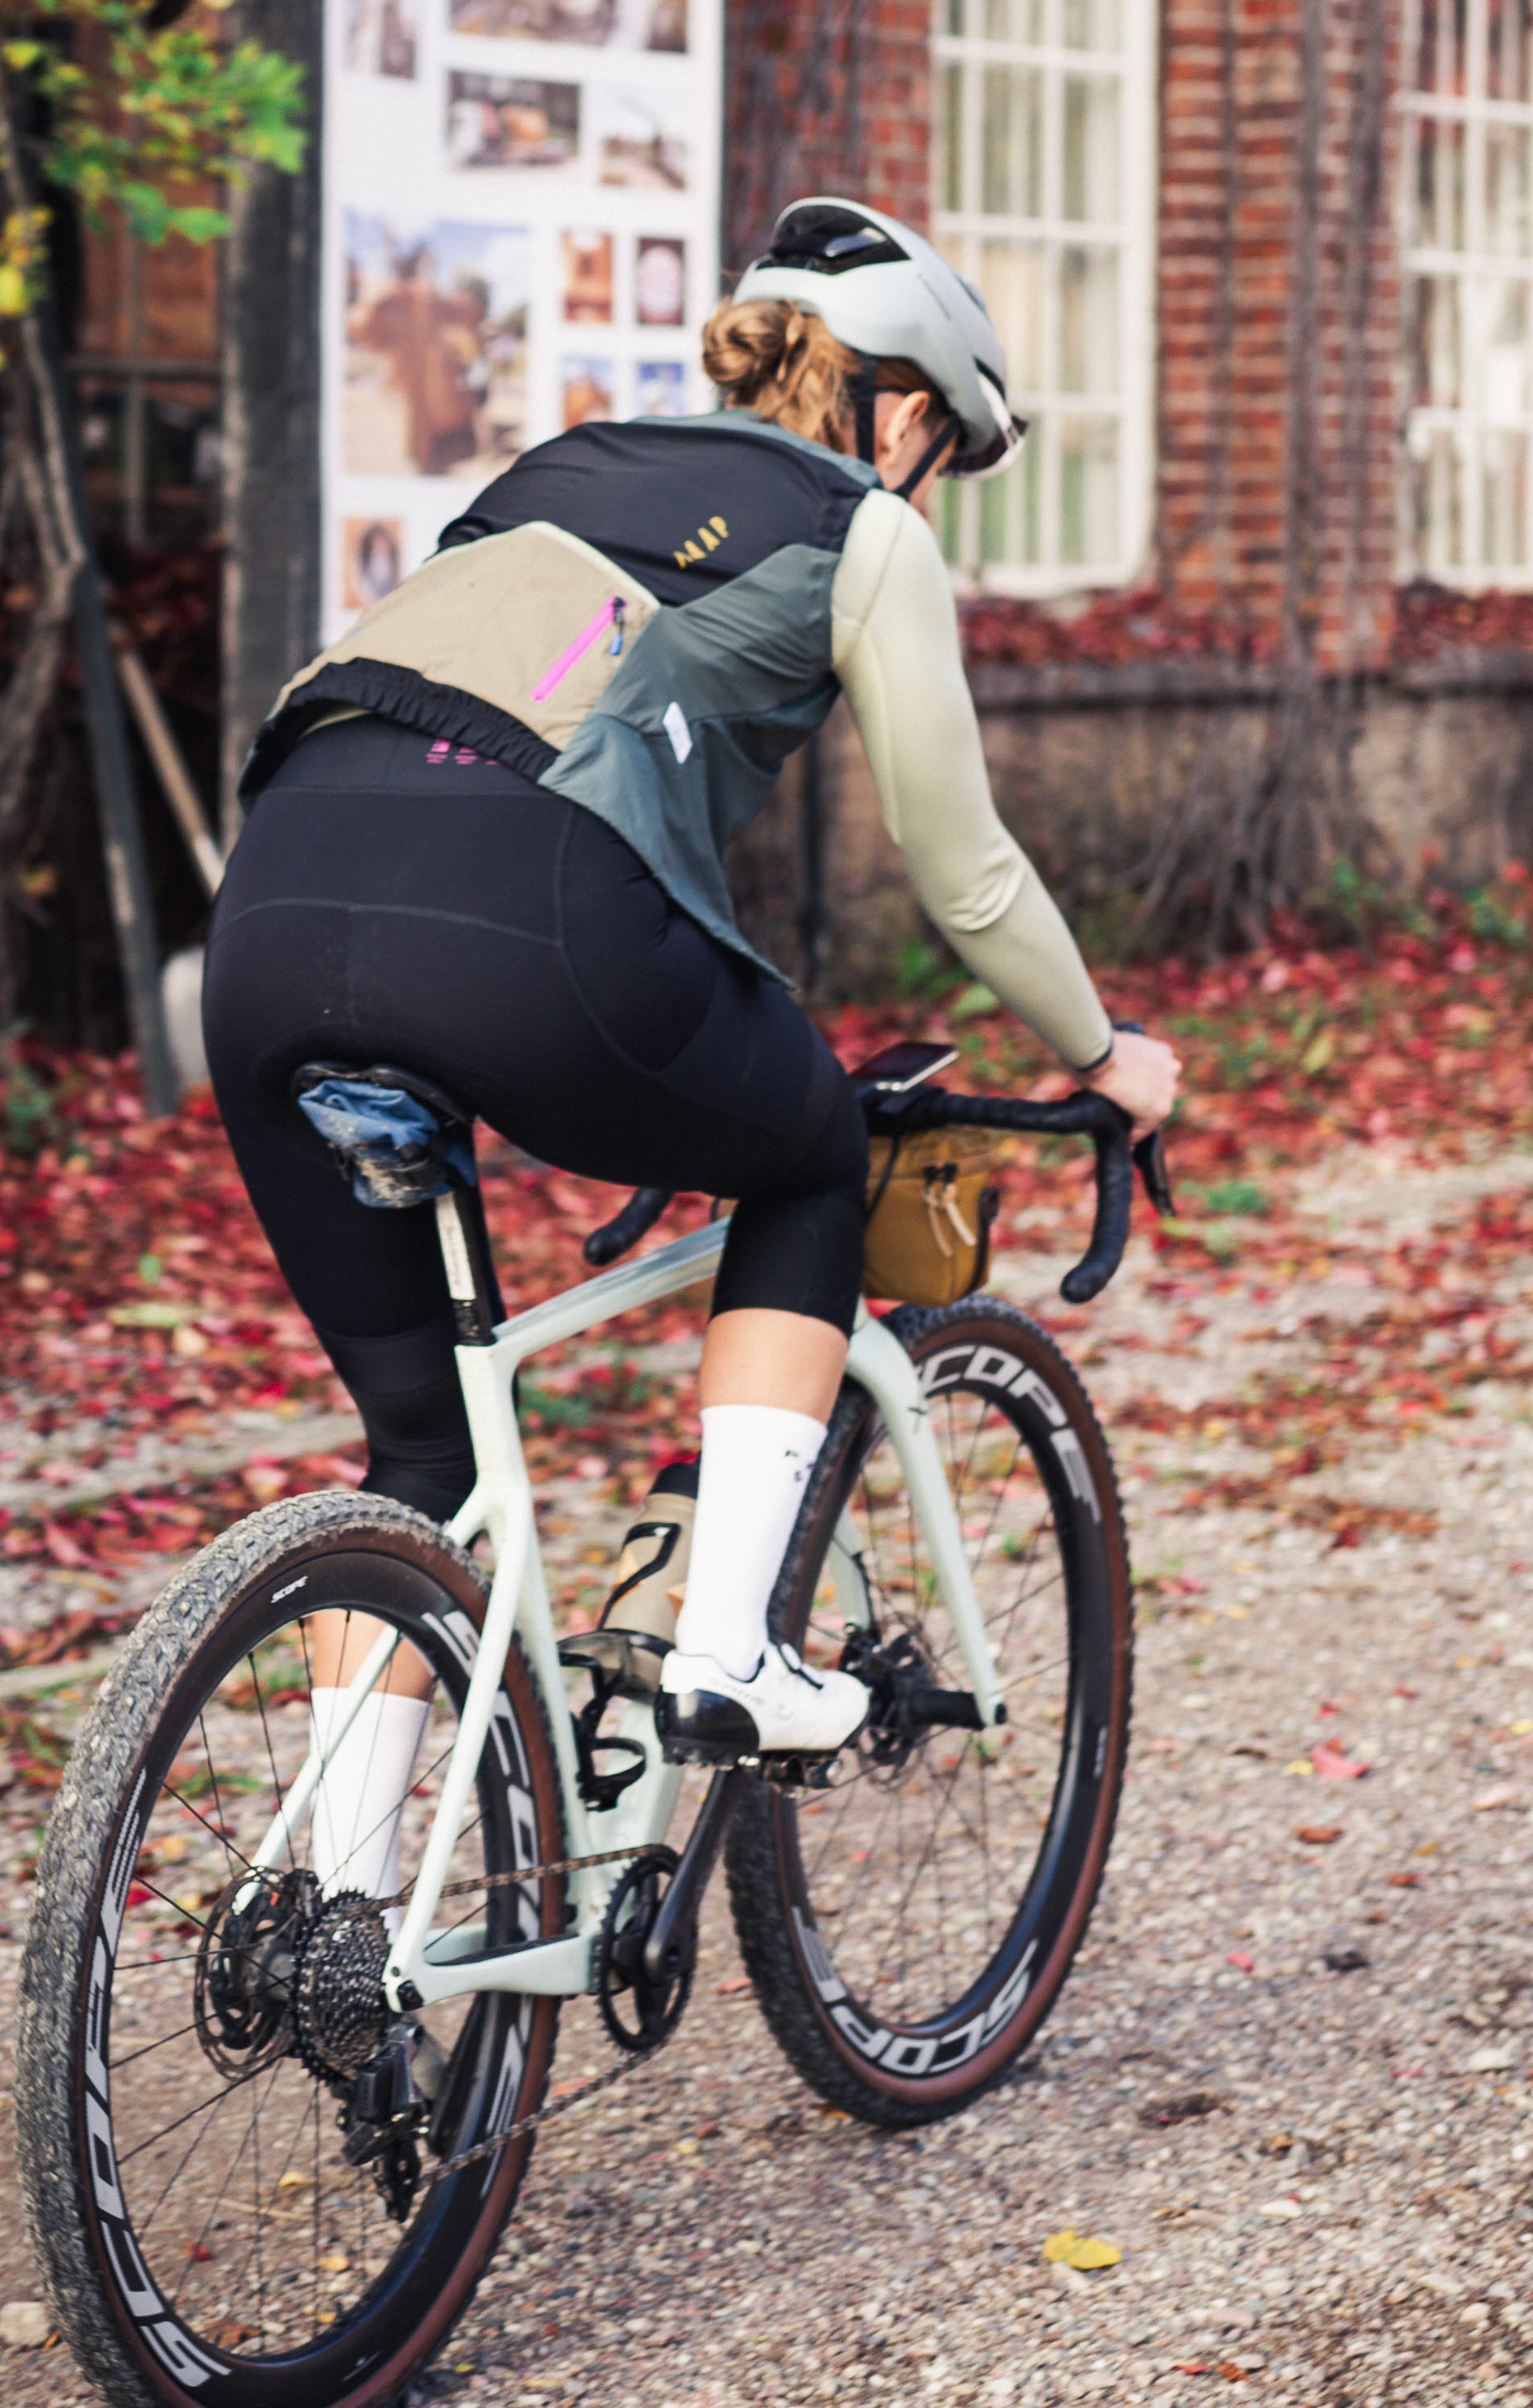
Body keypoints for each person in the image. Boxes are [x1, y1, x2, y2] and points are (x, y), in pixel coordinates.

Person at [204, 199, 1179, 1894]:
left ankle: (348, 1921)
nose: (925, 482)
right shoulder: (863, 525)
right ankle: (729, 1644)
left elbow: (511, 705)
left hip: (268, 917)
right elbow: (967, 871)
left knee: (424, 1453)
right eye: (938, 446)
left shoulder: (554, 470)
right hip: (533, 926)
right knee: (809, 1143)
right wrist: (1105, 1049)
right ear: (898, 409)